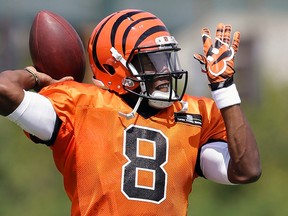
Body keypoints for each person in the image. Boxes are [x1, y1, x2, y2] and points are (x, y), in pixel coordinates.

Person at [0, 9, 261, 216]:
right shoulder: (80, 106)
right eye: (152, 62)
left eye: (167, 60)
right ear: (114, 67)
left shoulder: (193, 114)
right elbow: (4, 89)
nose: (165, 73)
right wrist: (35, 76)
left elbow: (245, 170)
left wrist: (225, 90)